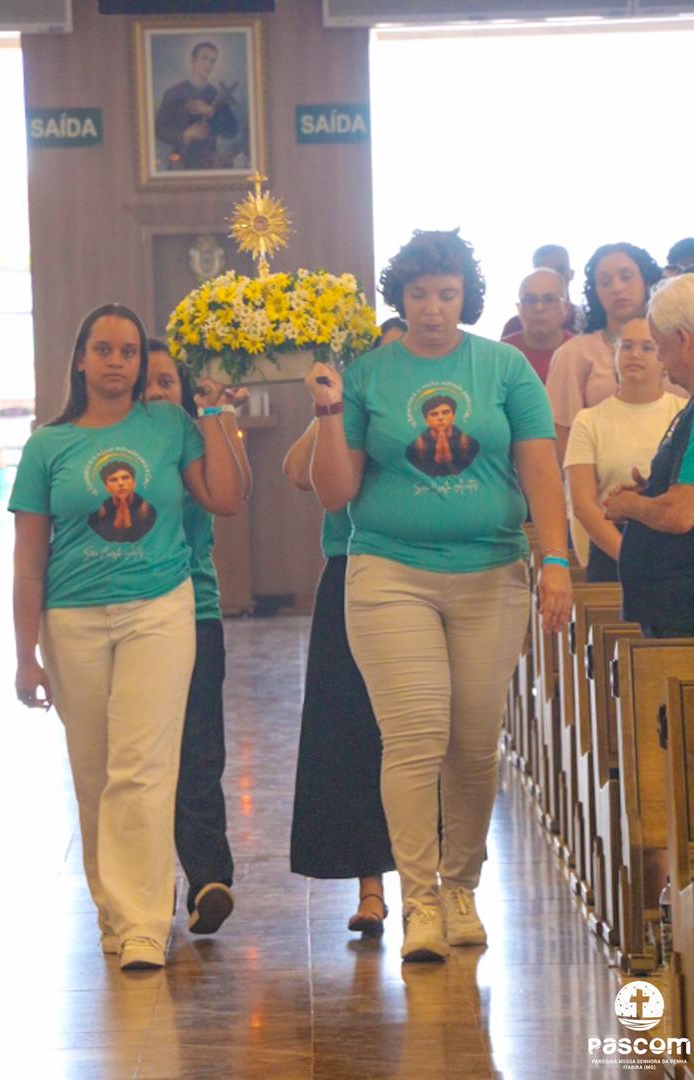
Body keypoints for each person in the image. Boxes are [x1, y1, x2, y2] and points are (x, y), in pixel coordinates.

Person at [305, 230, 572, 962]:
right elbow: (335, 491)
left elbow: (541, 472)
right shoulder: (366, 375)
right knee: (414, 737)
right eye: (419, 294)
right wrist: (328, 411)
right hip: (390, 572)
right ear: (400, 297)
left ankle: (461, 887)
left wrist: (555, 558)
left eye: (446, 294)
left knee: (474, 743)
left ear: (466, 298)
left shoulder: (504, 368)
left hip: (490, 571)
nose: (431, 308)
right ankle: (419, 900)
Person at [9, 304, 244, 971]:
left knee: (142, 768)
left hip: (159, 610)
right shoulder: (47, 446)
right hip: (72, 620)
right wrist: (25, 656)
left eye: (129, 351)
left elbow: (225, 498)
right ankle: (113, 911)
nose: (117, 361)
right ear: (81, 360)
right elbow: (28, 560)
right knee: (95, 773)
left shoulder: (169, 426)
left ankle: (144, 923)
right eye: (104, 349)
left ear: (142, 363)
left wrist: (214, 412)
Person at [284, 322, 401, 937]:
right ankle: (370, 887)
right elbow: (295, 471)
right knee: (352, 729)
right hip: (349, 569)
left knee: (417, 731)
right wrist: (332, 405)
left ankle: (438, 885)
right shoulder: (343, 409)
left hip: (415, 568)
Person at [145, 339, 251, 936]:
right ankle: (148, 884)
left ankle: (208, 878)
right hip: (132, 612)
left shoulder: (198, 434)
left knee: (199, 751)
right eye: (147, 383)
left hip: (195, 609)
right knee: (142, 758)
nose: (157, 393)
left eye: (167, 382)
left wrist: (219, 415)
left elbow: (238, 490)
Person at [604, 275, 694, 637]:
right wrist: (654, 489)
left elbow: (680, 513)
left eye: (658, 345)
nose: (659, 359)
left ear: (683, 339)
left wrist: (629, 505)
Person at [564, 317, 683, 580]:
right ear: (614, 354)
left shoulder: (684, 413)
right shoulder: (588, 420)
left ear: (663, 357)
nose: (635, 354)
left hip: (676, 547)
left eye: (647, 347)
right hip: (610, 549)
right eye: (626, 346)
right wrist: (630, 558)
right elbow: (583, 505)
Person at [546, 242, 666, 464]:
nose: (617, 288)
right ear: (595, 292)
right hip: (598, 479)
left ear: (647, 280)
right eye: (605, 282)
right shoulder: (575, 352)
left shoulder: (678, 344)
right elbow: (561, 437)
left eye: (626, 277)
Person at [155, 41, 240, 171]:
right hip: (179, 161)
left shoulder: (216, 95)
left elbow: (232, 131)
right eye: (204, 58)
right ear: (193, 60)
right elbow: (160, 129)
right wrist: (185, 135)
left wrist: (211, 111)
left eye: (213, 61)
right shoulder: (174, 93)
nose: (209, 65)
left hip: (209, 163)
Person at [502, 268, 572, 383]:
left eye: (549, 300)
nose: (539, 308)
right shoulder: (503, 354)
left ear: (566, 308)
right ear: (519, 308)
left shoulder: (580, 353)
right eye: (530, 300)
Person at [500, 244, 581, 337]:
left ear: (571, 274)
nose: (551, 276)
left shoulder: (588, 324)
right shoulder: (514, 327)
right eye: (544, 271)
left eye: (560, 270)